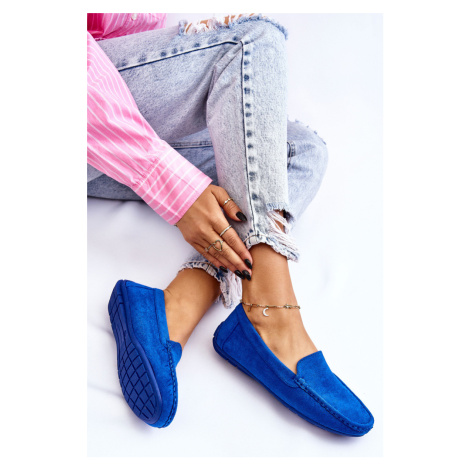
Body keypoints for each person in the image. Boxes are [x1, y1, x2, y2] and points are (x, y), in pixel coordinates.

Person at [88, 13, 374, 435]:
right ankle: (272, 313)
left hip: (99, 131)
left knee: (299, 149)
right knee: (251, 39)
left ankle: (181, 301)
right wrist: (168, 180)